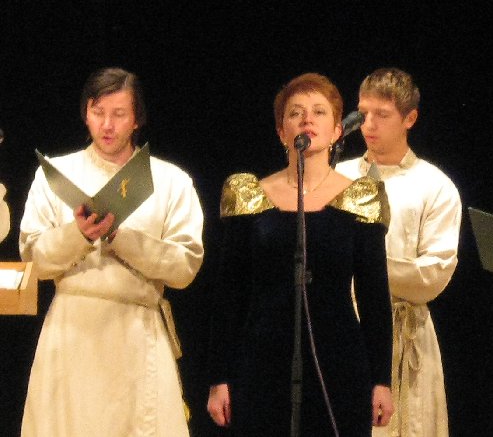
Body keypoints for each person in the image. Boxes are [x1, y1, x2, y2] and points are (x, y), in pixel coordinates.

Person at [206, 72, 394, 436]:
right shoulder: (249, 195)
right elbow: (229, 293)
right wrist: (219, 377)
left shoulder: (361, 197)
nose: (307, 119)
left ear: (337, 130)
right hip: (261, 362)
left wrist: (381, 380)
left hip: (339, 363)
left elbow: (374, 295)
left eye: (319, 111)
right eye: (295, 112)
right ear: (281, 131)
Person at [19, 67, 204, 437]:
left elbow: (184, 266)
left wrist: (121, 237)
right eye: (98, 112)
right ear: (85, 114)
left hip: (136, 331)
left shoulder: (170, 181)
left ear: (137, 119)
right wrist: (78, 234)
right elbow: (34, 259)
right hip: (71, 330)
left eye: (119, 114)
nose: (107, 125)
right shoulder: (56, 174)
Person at [335, 68, 462, 437]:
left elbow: (433, 275)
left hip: (404, 330)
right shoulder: (337, 176)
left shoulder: (433, 185)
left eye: (382, 114)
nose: (369, 124)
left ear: (410, 118)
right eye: (363, 113)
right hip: (342, 326)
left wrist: (363, 268)